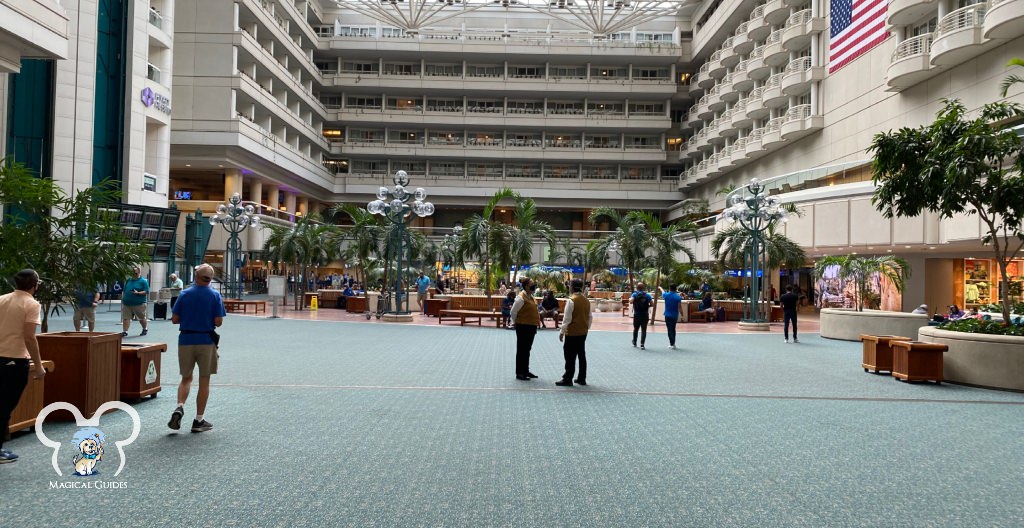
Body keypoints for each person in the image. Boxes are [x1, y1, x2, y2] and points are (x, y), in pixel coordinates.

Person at [168, 264, 225, 434]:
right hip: (206, 340)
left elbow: (175, 319)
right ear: (210, 278)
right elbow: (218, 322)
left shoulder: (185, 294)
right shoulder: (215, 295)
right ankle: (198, 420)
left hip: (186, 339)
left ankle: (179, 406)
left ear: (196, 276)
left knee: (186, 378)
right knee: (204, 380)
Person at [0, 270, 47, 463]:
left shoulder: (2, 299)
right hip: (14, 360)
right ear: (35, 285)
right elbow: (29, 337)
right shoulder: (31, 304)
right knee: (5, 406)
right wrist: (38, 366)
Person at [556, 279, 592, 387]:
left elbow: (567, 319)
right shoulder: (586, 300)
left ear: (571, 287)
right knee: (581, 354)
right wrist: (586, 327)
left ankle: (568, 378)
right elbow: (590, 317)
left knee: (569, 355)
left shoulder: (571, 300)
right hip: (583, 332)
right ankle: (582, 378)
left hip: (572, 333)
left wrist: (562, 331)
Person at [509, 277, 539, 380]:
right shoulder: (521, 298)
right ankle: (520, 372)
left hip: (531, 326)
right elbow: (513, 312)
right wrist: (514, 322)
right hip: (523, 326)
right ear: (526, 286)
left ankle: (525, 370)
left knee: (527, 349)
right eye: (532, 283)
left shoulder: (531, 297)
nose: (533, 285)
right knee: (522, 350)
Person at [122, 266, 150, 337]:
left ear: (139, 272)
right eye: (133, 272)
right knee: (126, 318)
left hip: (139, 303)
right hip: (127, 303)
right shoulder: (128, 280)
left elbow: (146, 291)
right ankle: (125, 331)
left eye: (136, 272)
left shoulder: (143, 281)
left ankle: (144, 329)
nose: (134, 274)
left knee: (141, 318)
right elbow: (125, 290)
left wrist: (138, 293)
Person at [659, 284, 682, 349]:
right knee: (673, 329)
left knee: (669, 329)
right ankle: (673, 343)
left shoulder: (666, 295)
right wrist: (682, 314)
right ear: (675, 289)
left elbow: (663, 292)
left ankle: (671, 343)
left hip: (667, 315)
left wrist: (660, 288)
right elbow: (680, 307)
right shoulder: (678, 297)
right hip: (675, 315)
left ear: (669, 288)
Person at [631, 283, 652, 349]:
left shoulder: (634, 294)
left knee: (636, 329)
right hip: (645, 314)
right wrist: (647, 306)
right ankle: (642, 344)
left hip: (637, 314)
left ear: (637, 288)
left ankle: (634, 342)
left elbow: (631, 301)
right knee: (644, 329)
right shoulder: (647, 295)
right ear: (643, 288)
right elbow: (652, 304)